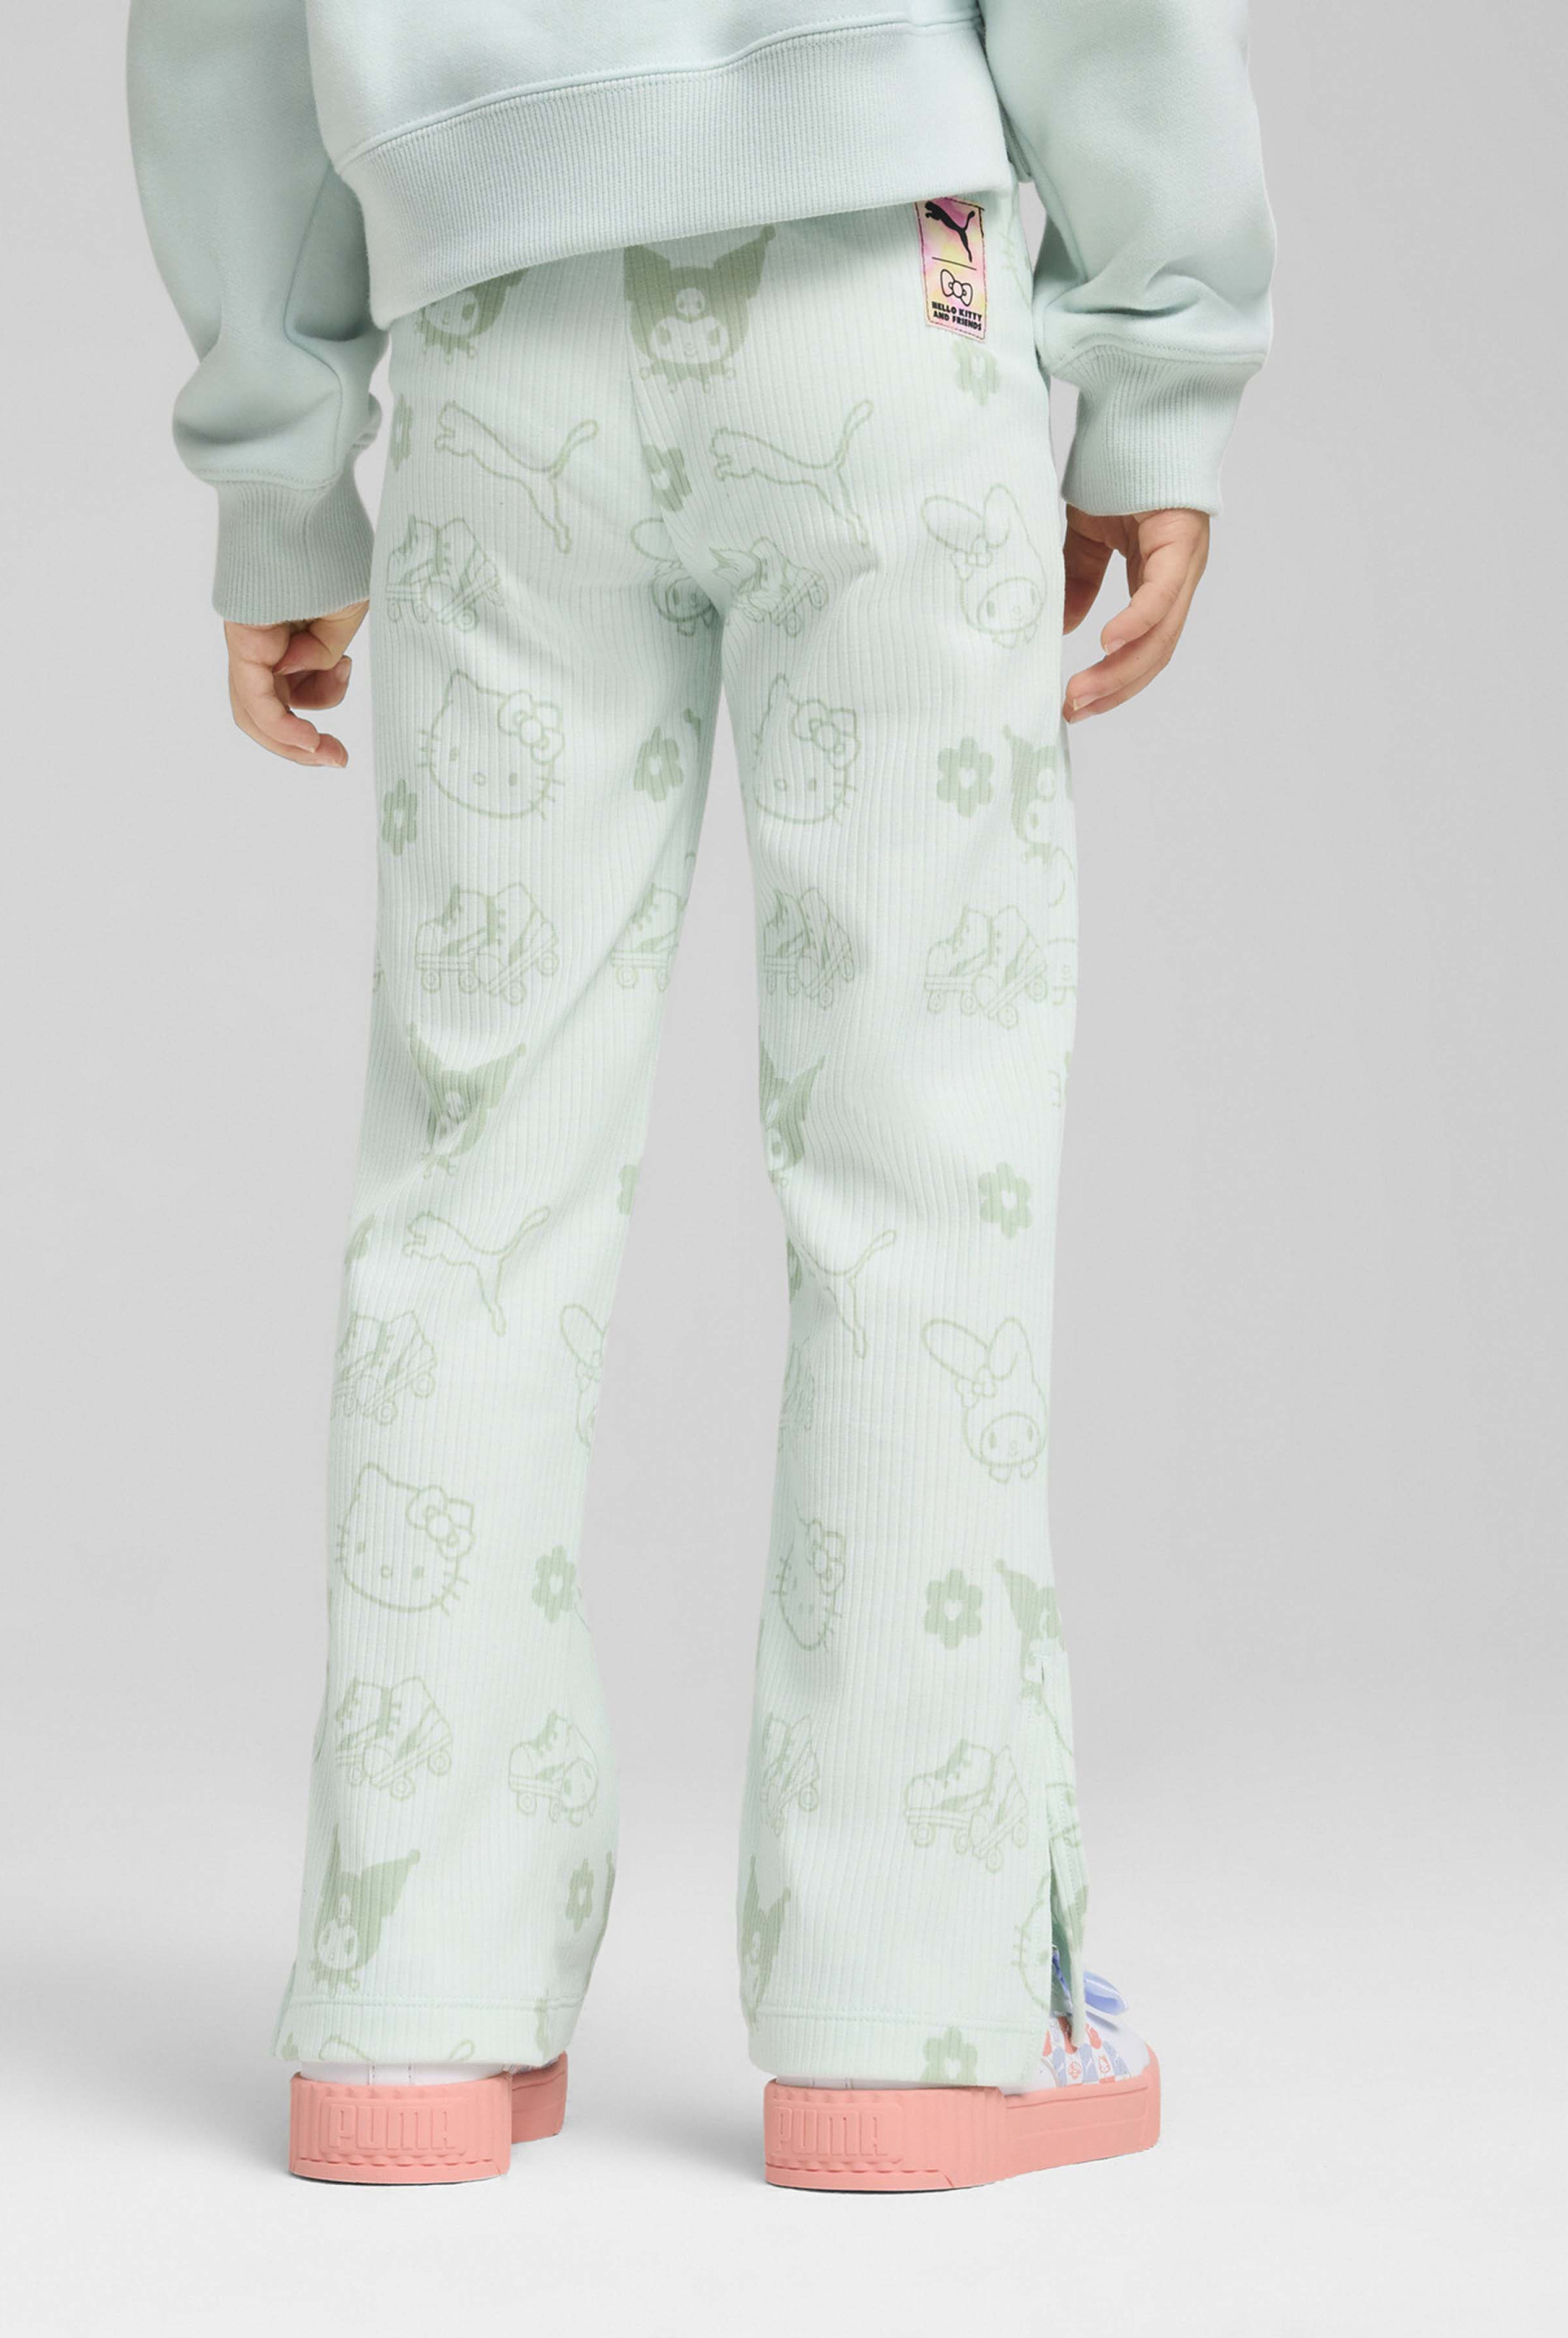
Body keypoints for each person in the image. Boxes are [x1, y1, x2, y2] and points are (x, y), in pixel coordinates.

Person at [127, 0, 1273, 2191]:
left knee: (471, 1191)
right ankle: (911, 2019)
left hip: (493, 355)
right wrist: (1155, 373)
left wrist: (281, 478)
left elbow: (216, 33)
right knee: (917, 1165)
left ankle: (408, 2002)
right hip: (878, 298)